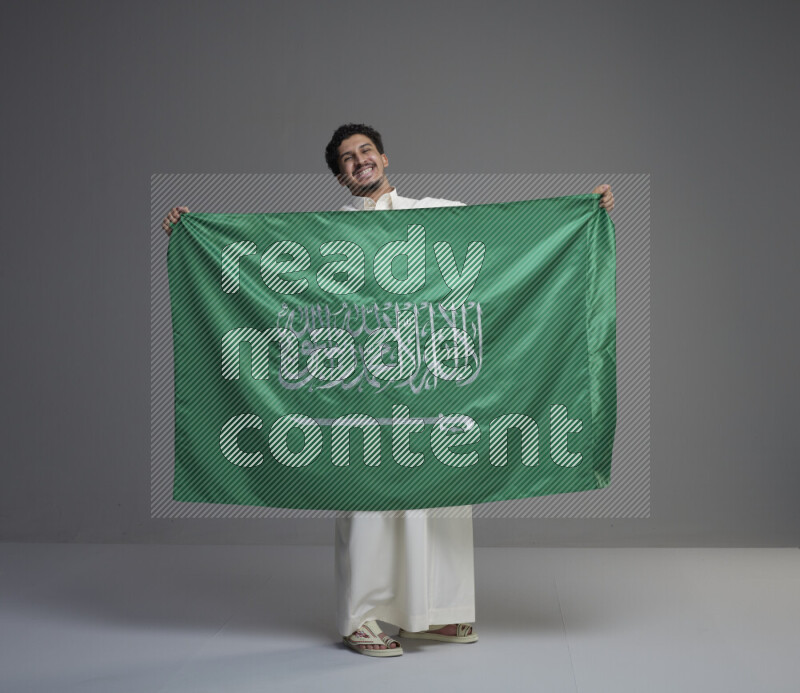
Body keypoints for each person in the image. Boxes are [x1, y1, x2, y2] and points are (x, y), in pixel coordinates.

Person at [161, 123, 615, 658]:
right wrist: (192, 232)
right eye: (347, 159)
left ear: (385, 157)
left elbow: (507, 237)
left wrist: (582, 212)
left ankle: (435, 614)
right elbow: (257, 259)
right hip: (360, 385)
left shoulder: (435, 214)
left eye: (366, 151)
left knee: (440, 492)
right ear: (339, 176)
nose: (360, 161)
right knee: (365, 499)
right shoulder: (326, 236)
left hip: (432, 382)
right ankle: (361, 618)